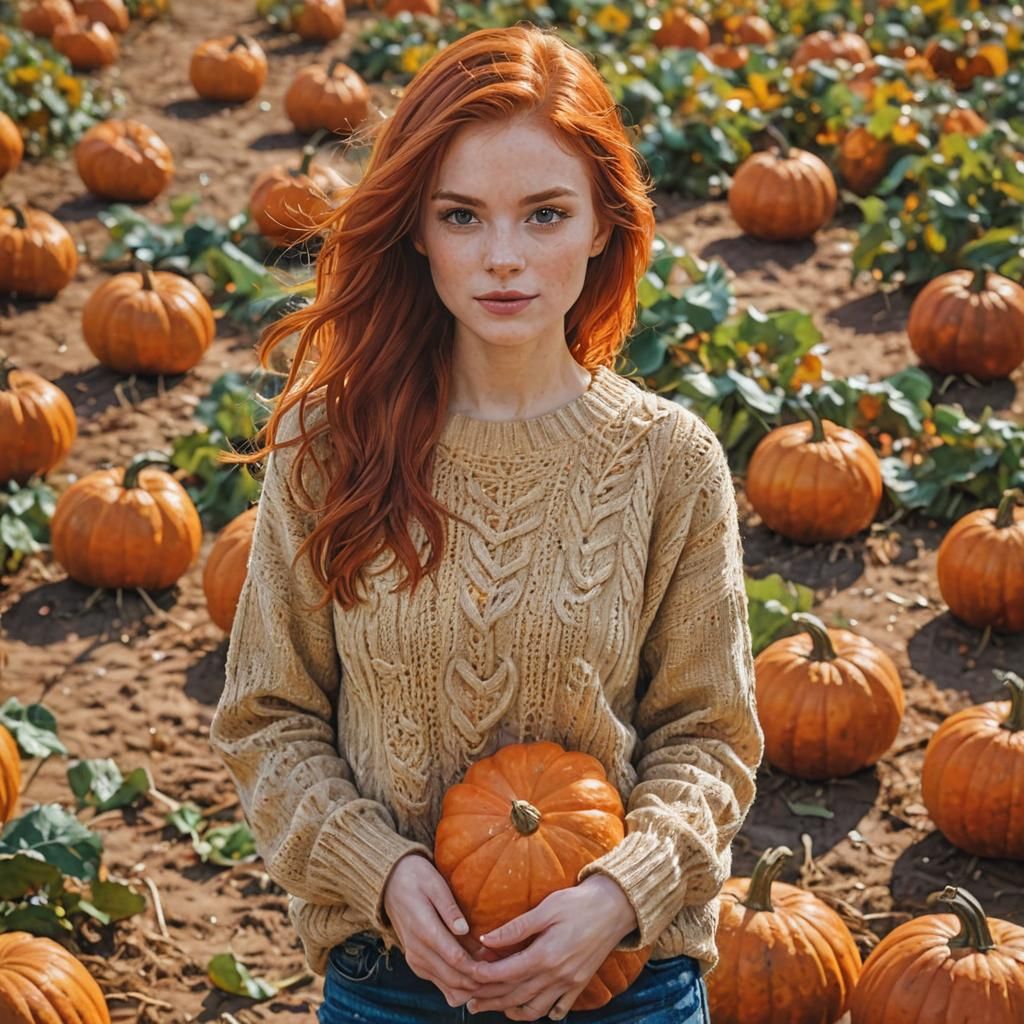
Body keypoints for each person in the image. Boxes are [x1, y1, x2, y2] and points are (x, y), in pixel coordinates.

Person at [209, 21, 763, 1024]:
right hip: (392, 976)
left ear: (603, 225)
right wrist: (380, 871)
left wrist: (620, 890)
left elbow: (710, 736)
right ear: (416, 230)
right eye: (461, 216)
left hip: (619, 977)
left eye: (545, 214)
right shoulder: (329, 445)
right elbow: (267, 714)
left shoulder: (669, 460)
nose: (503, 258)